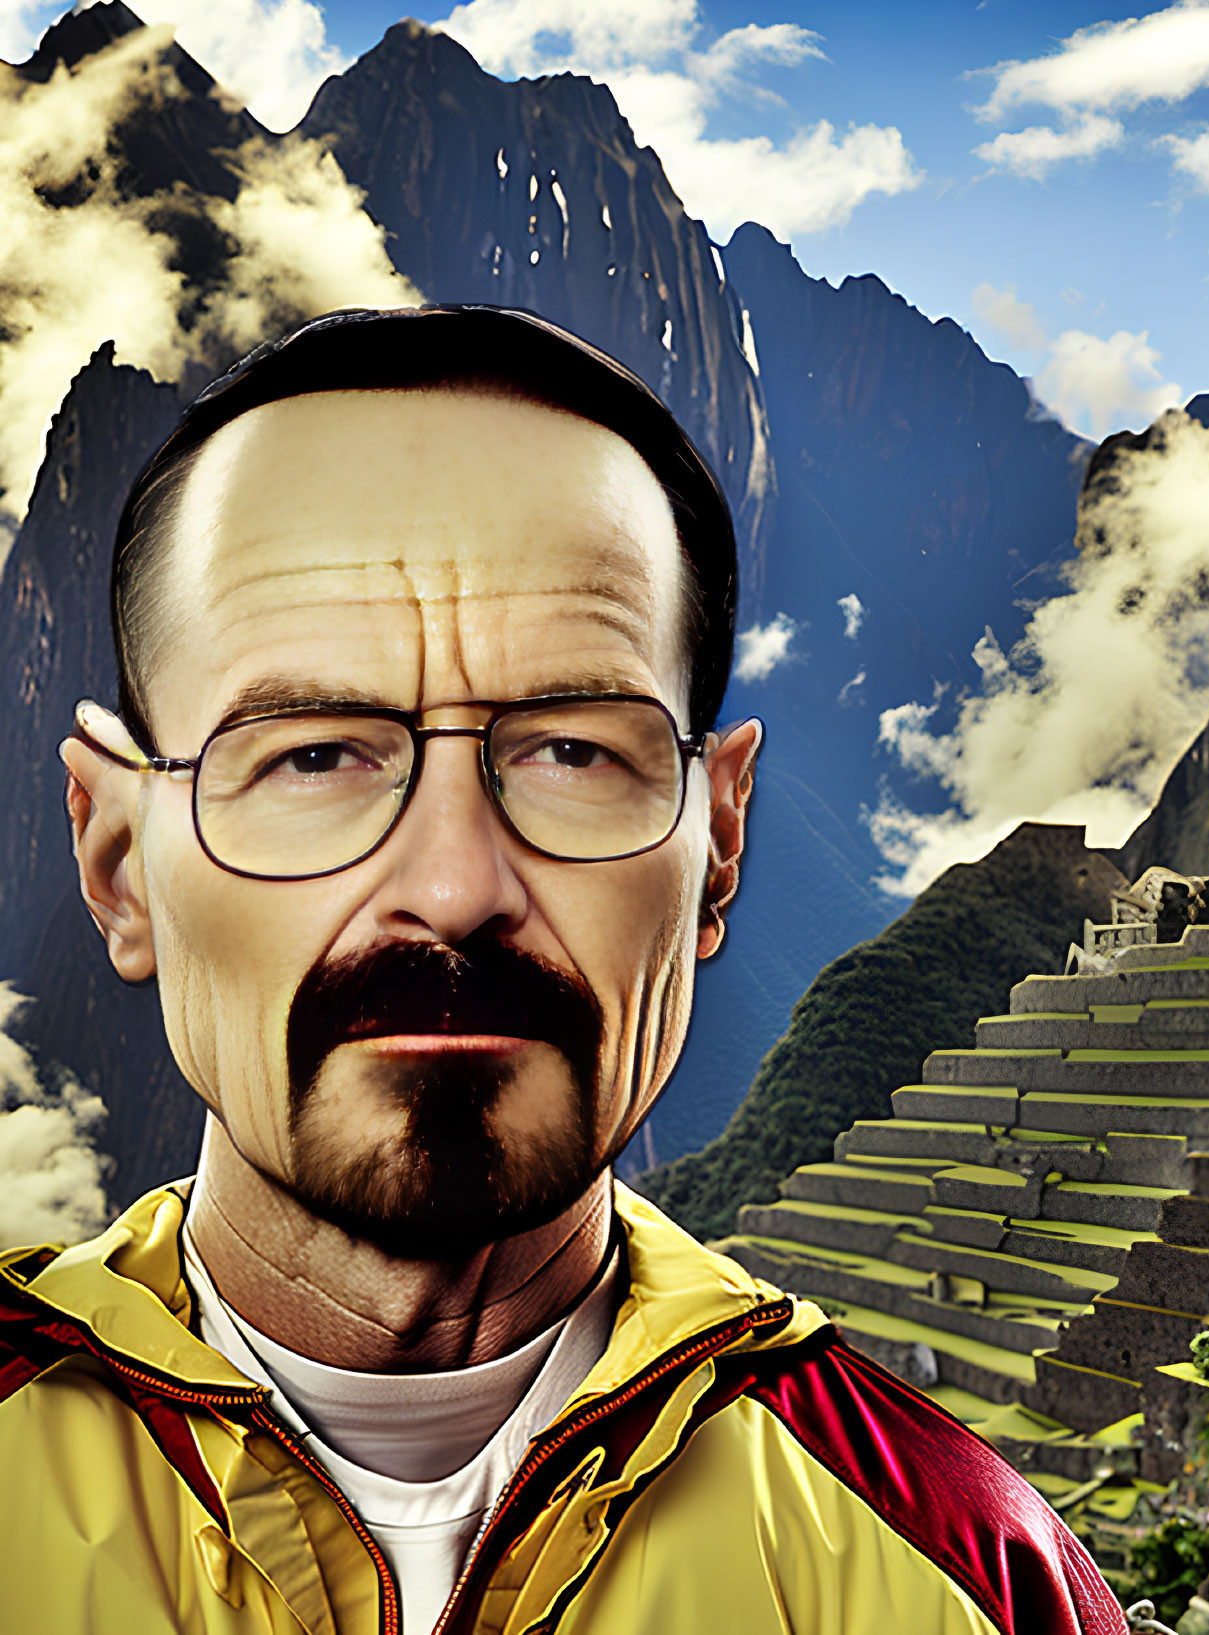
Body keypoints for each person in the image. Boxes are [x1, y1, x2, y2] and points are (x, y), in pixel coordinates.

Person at [0, 305, 1128, 1634]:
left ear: (718, 842)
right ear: (120, 864)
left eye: (572, 752)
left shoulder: (956, 1575)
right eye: (312, 757)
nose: (453, 889)